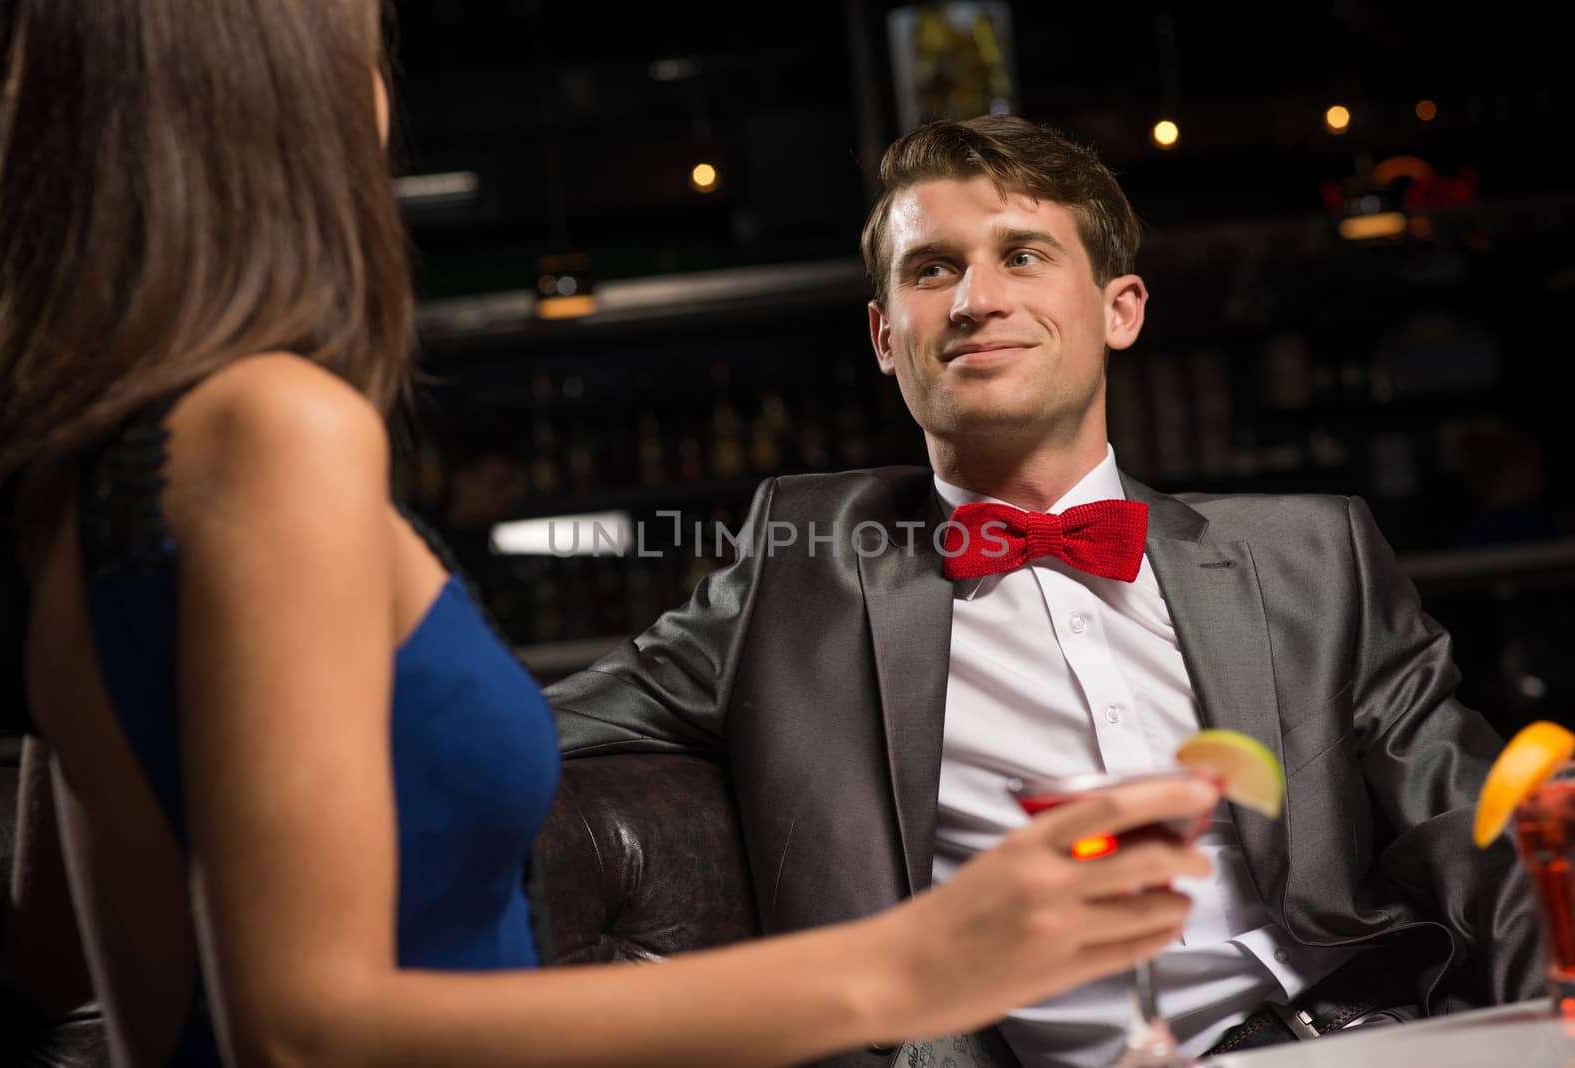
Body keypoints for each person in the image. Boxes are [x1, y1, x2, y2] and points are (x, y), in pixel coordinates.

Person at [0, 5, 1226, 1066]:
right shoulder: (275, 427)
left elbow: (50, 941)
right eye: (361, 42)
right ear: (285, 96)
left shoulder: (88, 471)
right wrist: (909, 968)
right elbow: (301, 1033)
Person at [547, 114, 1542, 1067]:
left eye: (1023, 255)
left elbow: (1479, 828)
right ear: (885, 336)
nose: (977, 299)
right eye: (932, 270)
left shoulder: (1309, 557)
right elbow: (519, 733)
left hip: (1363, 1035)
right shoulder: (804, 569)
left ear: (1120, 310)